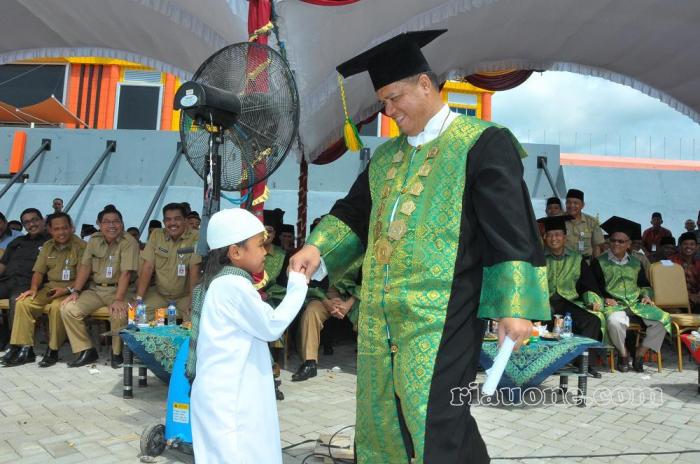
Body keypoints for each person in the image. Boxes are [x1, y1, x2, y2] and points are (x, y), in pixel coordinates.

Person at [289, 30, 548, 463]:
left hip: (442, 314)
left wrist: (515, 307)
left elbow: (510, 226)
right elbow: (355, 213)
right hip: (380, 317)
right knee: (382, 418)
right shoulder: (386, 157)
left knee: (435, 418)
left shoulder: (481, 142)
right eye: (383, 103)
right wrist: (317, 248)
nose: (388, 112)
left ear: (425, 84)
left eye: (394, 98)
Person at [186, 208, 308, 464]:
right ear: (236, 252)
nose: (265, 252)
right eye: (259, 245)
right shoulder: (232, 285)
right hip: (230, 401)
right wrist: (298, 283)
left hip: (226, 396)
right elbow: (272, 325)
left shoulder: (223, 283)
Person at [1, 213, 86, 367]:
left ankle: (53, 349)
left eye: (65, 228)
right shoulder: (48, 246)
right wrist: (33, 289)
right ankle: (25, 349)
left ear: (71, 228)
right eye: (56, 229)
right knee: (23, 303)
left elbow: (83, 277)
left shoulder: (81, 247)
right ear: (50, 230)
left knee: (56, 307)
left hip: (72, 289)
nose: (61, 232)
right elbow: (38, 272)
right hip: (49, 287)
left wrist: (66, 289)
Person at [60, 205, 139, 368]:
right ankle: (86, 350)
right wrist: (76, 291)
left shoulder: (129, 242)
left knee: (119, 313)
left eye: (116, 221)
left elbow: (126, 273)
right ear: (99, 224)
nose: (112, 225)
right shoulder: (94, 240)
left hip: (121, 290)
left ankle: (117, 354)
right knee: (68, 309)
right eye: (107, 222)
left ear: (122, 223)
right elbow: (85, 266)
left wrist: (119, 299)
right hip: (96, 289)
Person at [591, 216, 671, 372]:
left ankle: (640, 353)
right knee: (614, 322)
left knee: (663, 319)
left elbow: (644, 285)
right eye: (613, 240)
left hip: (636, 303)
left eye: (621, 241)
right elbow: (592, 287)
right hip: (615, 305)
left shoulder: (636, 263)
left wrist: (647, 296)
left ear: (629, 244)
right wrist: (604, 298)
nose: (616, 244)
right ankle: (623, 353)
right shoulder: (599, 262)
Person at [539, 216, 604, 377]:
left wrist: (592, 300)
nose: (554, 238)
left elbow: (588, 284)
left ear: (565, 237)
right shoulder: (538, 258)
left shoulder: (577, 259)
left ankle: (583, 363)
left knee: (592, 321)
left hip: (568, 302)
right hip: (543, 302)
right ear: (545, 237)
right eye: (550, 235)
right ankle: (545, 363)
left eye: (558, 234)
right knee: (542, 317)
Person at [135, 203, 201, 321]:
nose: (172, 223)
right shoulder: (156, 235)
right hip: (160, 295)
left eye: (177, 219)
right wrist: (139, 298)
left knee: (194, 317)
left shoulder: (196, 237)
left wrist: (193, 302)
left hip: (185, 297)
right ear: (164, 222)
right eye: (168, 220)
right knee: (138, 313)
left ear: (185, 220)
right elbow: (148, 267)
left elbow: (194, 271)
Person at [0, 208, 49, 350]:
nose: (31, 224)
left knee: (17, 301)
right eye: (27, 222)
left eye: (34, 220)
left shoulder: (50, 242)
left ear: (42, 220)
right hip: (7, 280)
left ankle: (17, 345)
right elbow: (2, 265)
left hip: (29, 284)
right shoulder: (17, 241)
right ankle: (3, 334)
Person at [564, 189, 605, 260]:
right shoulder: (558, 220)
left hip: (585, 262)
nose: (571, 205)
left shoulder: (592, 222)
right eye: (568, 202)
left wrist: (596, 264)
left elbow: (596, 247)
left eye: (575, 203)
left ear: (582, 205)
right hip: (565, 262)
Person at [669, 232, 700, 313]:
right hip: (676, 300)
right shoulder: (671, 262)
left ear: (697, 247)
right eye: (685, 244)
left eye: (692, 244)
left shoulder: (698, 264)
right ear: (679, 246)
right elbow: (668, 284)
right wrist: (689, 296)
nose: (689, 246)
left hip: (696, 302)